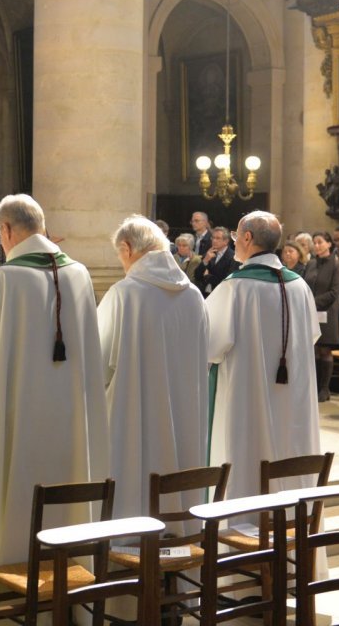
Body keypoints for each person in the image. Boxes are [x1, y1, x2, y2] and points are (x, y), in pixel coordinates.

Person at [0, 193, 108, 567]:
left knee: (17, 499)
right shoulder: (79, 274)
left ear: (7, 229)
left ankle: (13, 586)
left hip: (19, 420)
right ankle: (70, 580)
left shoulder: (6, 279)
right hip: (74, 420)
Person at [205, 211, 321, 502]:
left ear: (246, 238)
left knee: (247, 459)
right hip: (293, 399)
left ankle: (243, 533)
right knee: (289, 450)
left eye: (235, 236)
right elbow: (311, 336)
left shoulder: (235, 287)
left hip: (247, 402)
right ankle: (292, 531)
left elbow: (207, 346)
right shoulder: (300, 286)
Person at [98, 216, 208, 522]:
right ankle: (177, 540)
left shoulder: (125, 294)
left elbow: (98, 363)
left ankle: (130, 548)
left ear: (127, 248)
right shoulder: (194, 296)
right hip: (184, 417)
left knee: (134, 486)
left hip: (134, 418)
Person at [304, 231, 339, 401]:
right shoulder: (311, 263)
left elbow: (335, 292)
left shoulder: (336, 264)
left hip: (327, 312)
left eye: (320, 242)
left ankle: (324, 389)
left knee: (325, 350)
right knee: (313, 349)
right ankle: (313, 386)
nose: (317, 245)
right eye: (315, 242)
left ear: (329, 244)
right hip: (310, 311)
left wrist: (312, 302)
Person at [195, 225, 239, 296]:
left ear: (226, 241)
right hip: (204, 295)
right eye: (213, 238)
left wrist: (207, 276)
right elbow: (197, 276)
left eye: (218, 238)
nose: (214, 240)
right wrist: (205, 260)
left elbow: (227, 281)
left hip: (221, 295)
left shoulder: (233, 257)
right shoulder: (209, 253)